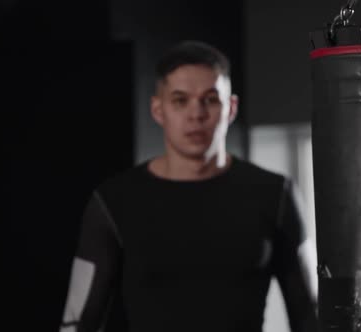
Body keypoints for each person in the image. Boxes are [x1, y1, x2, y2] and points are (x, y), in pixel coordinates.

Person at [59, 40, 318, 332]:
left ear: (230, 107)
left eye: (210, 99)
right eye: (180, 100)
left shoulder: (275, 195)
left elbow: (311, 315)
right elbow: (77, 323)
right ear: (158, 110)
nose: (196, 114)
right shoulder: (112, 202)